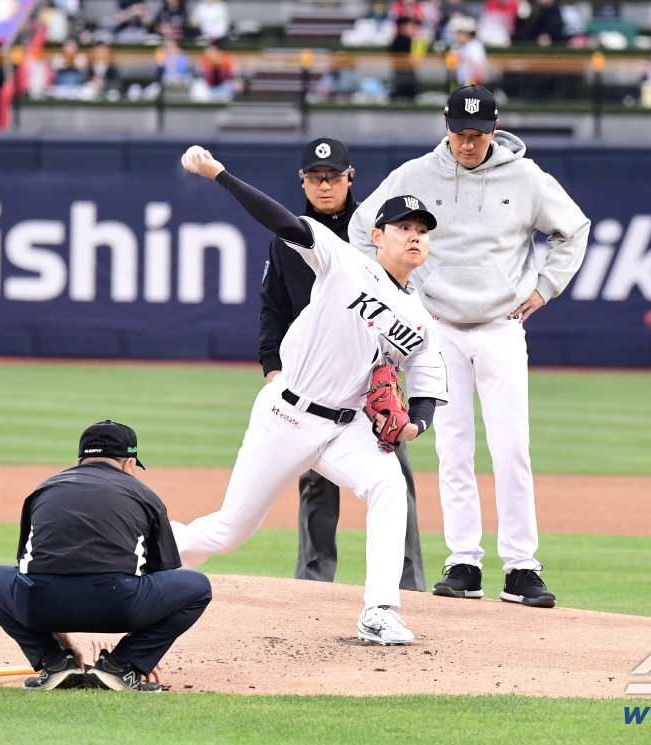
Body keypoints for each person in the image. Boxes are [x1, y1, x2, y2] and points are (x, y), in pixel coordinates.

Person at [177, 146, 449, 646]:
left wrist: (417, 423)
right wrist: (220, 174)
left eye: (422, 230)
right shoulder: (342, 260)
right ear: (377, 236)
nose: (413, 236)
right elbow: (281, 220)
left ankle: (380, 609)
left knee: (389, 485)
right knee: (228, 531)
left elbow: (429, 382)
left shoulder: (420, 319)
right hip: (287, 416)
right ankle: (146, 550)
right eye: (402, 227)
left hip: (344, 429)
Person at [348, 86, 590, 608]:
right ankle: (463, 561)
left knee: (512, 447)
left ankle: (522, 566)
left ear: (495, 127)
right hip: (437, 327)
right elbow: (362, 229)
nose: (468, 143)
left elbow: (574, 229)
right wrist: (398, 293)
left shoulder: (525, 177)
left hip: (501, 324)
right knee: (451, 446)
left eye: (478, 134)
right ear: (446, 124)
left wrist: (545, 287)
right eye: (459, 132)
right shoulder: (415, 174)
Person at [259, 138, 428, 593]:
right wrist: (272, 366)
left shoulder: (374, 229)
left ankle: (407, 583)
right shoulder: (288, 235)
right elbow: (272, 306)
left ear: (350, 178)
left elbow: (406, 296)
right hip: (315, 378)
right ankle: (314, 582)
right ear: (303, 181)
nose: (325, 184)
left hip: (372, 376)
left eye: (333, 176)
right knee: (315, 480)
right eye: (316, 177)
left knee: (394, 475)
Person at [0, 421, 212, 692]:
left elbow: (32, 571)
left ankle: (55, 664)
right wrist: (143, 655)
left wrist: (65, 647)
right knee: (197, 587)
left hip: (40, 606)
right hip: (117, 607)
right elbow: (162, 574)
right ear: (128, 464)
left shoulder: (43, 489)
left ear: (79, 461)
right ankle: (122, 668)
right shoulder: (145, 494)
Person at [452, 19, 487, 85]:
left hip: (471, 82)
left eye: (459, 33)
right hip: (462, 81)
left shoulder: (475, 46)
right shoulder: (461, 47)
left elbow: (479, 65)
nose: (457, 36)